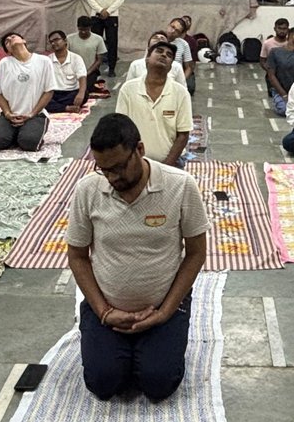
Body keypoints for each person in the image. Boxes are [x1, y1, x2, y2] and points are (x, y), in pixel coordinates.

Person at [66, 112, 207, 402]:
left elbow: (195, 253)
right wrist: (104, 311)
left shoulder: (180, 185)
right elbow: (78, 256)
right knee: (103, 384)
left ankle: (149, 344)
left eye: (118, 167)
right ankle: (122, 347)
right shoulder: (88, 190)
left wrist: (165, 312)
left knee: (158, 385)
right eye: (104, 170)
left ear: (139, 150)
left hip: (163, 307)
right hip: (106, 308)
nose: (113, 178)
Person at [115, 40, 193, 166]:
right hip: (135, 161)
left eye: (169, 55)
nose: (164, 55)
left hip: (171, 162)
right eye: (159, 51)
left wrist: (165, 166)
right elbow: (121, 128)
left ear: (171, 66)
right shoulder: (128, 89)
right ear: (147, 59)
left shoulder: (181, 93)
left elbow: (183, 135)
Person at [0, 32, 57, 152]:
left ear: (24, 41)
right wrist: (7, 113)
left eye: (13, 36)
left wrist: (31, 114)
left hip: (35, 114)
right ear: (8, 50)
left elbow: (49, 91)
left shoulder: (44, 61)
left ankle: (24, 133)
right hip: (10, 115)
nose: (10, 39)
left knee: (29, 143)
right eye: (6, 41)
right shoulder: (4, 63)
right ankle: (14, 133)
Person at [86, 0, 126, 77]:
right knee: (95, 43)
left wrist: (108, 11)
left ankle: (111, 68)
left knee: (112, 42)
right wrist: (100, 10)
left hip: (112, 16)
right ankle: (94, 68)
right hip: (96, 16)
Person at [264, 26, 294, 116]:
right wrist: (284, 95)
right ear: (293, 36)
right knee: (284, 110)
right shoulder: (275, 52)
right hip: (281, 91)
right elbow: (271, 75)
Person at [46, 30, 90, 114]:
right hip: (54, 93)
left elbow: (82, 77)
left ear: (65, 41)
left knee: (85, 94)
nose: (53, 43)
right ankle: (67, 108)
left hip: (71, 92)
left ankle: (57, 107)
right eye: (51, 41)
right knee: (41, 99)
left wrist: (81, 94)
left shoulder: (76, 58)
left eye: (56, 39)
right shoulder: (47, 60)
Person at [68, 16, 108, 94]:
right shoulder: (69, 38)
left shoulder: (98, 39)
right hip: (73, 71)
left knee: (86, 88)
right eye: (81, 29)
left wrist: (87, 72)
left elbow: (99, 59)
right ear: (78, 27)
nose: (83, 32)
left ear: (90, 27)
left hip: (90, 71)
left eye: (86, 30)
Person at [167, 16, 197, 97]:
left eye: (177, 30)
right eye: (172, 27)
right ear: (168, 25)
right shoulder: (157, 39)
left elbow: (189, 67)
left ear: (180, 34)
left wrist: (180, 80)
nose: (173, 31)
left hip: (176, 77)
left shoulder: (184, 44)